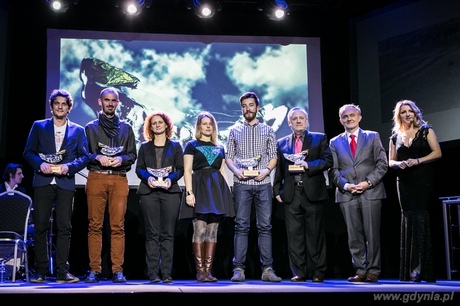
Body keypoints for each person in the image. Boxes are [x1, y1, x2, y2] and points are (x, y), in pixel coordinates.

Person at [23, 89, 90, 283]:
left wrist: (68, 167)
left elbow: (85, 156)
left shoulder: (78, 130)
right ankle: (41, 271)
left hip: (65, 183)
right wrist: (40, 164)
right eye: (56, 103)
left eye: (64, 104)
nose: (60, 107)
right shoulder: (39, 126)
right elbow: (28, 152)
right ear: (51, 106)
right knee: (41, 227)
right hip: (43, 182)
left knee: (64, 228)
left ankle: (62, 271)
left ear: (69, 107)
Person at [225, 91, 281, 282]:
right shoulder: (234, 131)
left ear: (257, 107)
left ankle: (267, 269)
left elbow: (273, 156)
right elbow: (228, 157)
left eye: (250, 105)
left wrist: (266, 171)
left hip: (263, 183)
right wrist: (236, 171)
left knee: (265, 227)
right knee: (241, 226)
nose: (247, 109)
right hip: (241, 183)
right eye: (244, 106)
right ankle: (238, 269)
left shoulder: (268, 130)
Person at [329, 103, 387, 283]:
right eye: (345, 116)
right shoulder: (334, 142)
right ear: (340, 120)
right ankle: (360, 270)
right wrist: (346, 186)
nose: (349, 118)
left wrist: (367, 182)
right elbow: (333, 170)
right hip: (347, 193)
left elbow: (382, 163)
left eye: (352, 115)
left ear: (359, 117)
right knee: (354, 235)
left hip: (371, 191)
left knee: (372, 234)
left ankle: (373, 270)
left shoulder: (372, 136)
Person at [273, 107, 332, 283]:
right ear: (289, 122)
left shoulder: (319, 138)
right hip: (291, 193)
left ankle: (317, 272)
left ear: (306, 121)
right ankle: (298, 272)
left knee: (315, 235)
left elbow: (328, 160)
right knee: (294, 236)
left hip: (313, 191)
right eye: (294, 119)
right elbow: (279, 169)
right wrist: (276, 190)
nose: (298, 121)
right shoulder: (282, 143)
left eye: (301, 118)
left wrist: (308, 165)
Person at [84, 87, 137, 283]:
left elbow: (132, 154)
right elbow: (84, 154)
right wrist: (97, 156)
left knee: (118, 227)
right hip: (96, 176)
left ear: (118, 103)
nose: (110, 103)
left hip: (118, 178)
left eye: (113, 100)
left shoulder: (126, 128)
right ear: (100, 102)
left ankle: (117, 270)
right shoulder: (90, 128)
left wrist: (120, 159)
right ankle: (94, 270)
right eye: (106, 100)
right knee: (94, 226)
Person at [388, 100, 441, 283]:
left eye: (410, 111)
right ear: (399, 115)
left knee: (420, 219)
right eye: (404, 112)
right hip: (403, 182)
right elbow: (390, 161)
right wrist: (399, 164)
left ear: (416, 112)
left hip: (422, 180)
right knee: (408, 219)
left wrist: (417, 161)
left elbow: (437, 153)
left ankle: (421, 269)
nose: (408, 114)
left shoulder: (426, 130)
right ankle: (410, 269)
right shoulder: (395, 136)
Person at [179, 111, 235, 282]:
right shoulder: (191, 145)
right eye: (204, 123)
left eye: (210, 123)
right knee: (200, 229)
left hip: (217, 189)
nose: (208, 126)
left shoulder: (220, 147)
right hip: (200, 187)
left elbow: (222, 171)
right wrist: (189, 192)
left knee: (212, 230)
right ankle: (200, 271)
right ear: (199, 126)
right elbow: (187, 170)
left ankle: (208, 272)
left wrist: (228, 192)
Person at [135, 111, 184, 284]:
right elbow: (139, 168)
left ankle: (166, 273)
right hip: (149, 193)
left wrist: (170, 180)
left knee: (168, 234)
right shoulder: (144, 147)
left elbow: (180, 169)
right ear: (150, 127)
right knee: (152, 234)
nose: (157, 125)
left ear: (166, 125)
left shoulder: (176, 146)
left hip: (170, 193)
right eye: (154, 123)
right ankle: (153, 273)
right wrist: (148, 178)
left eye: (160, 122)